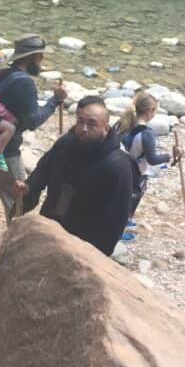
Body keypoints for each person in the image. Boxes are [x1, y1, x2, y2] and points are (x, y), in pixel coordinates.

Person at [0, 34, 67, 255]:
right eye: (40, 56)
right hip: (4, 152)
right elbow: (32, 122)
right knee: (18, 200)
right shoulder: (24, 83)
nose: (42, 60)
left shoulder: (1, 73)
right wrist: (55, 100)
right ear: (32, 58)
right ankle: (17, 252)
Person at [13, 96, 134, 257]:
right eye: (80, 121)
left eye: (92, 124)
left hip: (84, 240)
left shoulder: (118, 165)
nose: (84, 128)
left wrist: (98, 256)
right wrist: (28, 188)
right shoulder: (66, 144)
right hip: (51, 224)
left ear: (106, 126)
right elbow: (43, 170)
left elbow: (116, 218)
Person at [116, 91, 182, 240]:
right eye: (155, 111)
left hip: (119, 164)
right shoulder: (146, 134)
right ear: (149, 111)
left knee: (119, 196)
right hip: (136, 171)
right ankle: (120, 229)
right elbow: (152, 159)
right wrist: (171, 156)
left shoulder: (122, 123)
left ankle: (120, 223)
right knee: (131, 198)